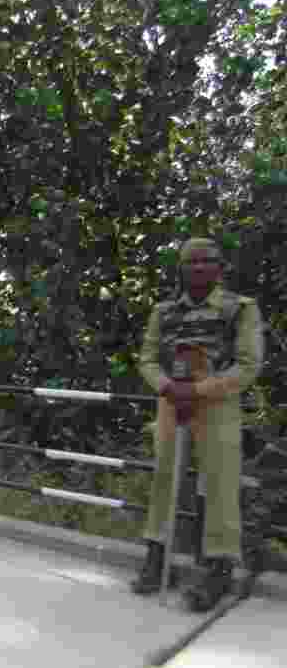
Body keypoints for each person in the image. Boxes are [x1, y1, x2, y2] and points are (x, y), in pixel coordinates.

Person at [134, 237, 265, 611]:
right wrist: (166, 385)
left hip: (217, 405)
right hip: (172, 401)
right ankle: (158, 557)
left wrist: (201, 389)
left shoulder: (240, 309)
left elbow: (248, 364)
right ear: (181, 268)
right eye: (190, 262)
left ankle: (218, 569)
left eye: (206, 261)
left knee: (221, 483)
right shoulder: (164, 311)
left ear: (219, 267)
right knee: (163, 478)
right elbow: (147, 358)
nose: (198, 267)